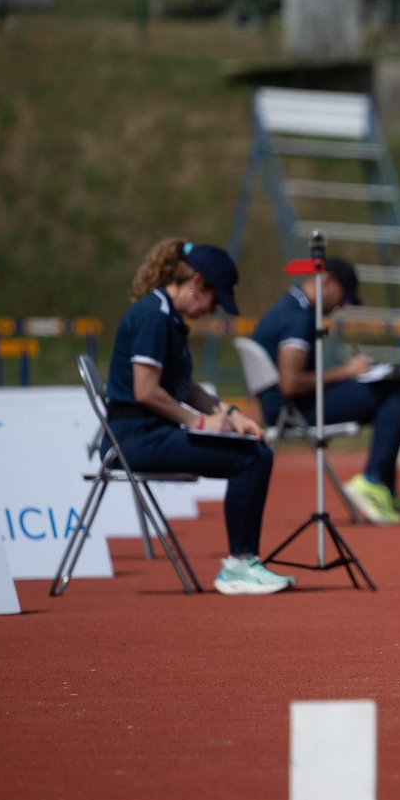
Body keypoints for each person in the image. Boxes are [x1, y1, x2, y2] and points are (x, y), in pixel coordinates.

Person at [106, 239, 289, 595]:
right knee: (250, 458)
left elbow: (184, 387)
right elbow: (146, 391)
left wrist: (231, 416)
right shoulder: (153, 316)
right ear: (197, 283)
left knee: (256, 451)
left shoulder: (168, 317)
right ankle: (239, 564)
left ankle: (244, 561)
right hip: (134, 439)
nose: (215, 309)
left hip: (150, 432)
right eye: (216, 300)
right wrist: (200, 423)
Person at [250, 257, 400, 525]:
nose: (342, 306)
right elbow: (290, 385)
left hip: (290, 407)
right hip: (293, 412)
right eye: (344, 297)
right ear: (327, 280)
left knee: (392, 390)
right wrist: (346, 372)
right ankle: (374, 483)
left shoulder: (290, 306)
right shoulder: (299, 317)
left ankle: (382, 488)